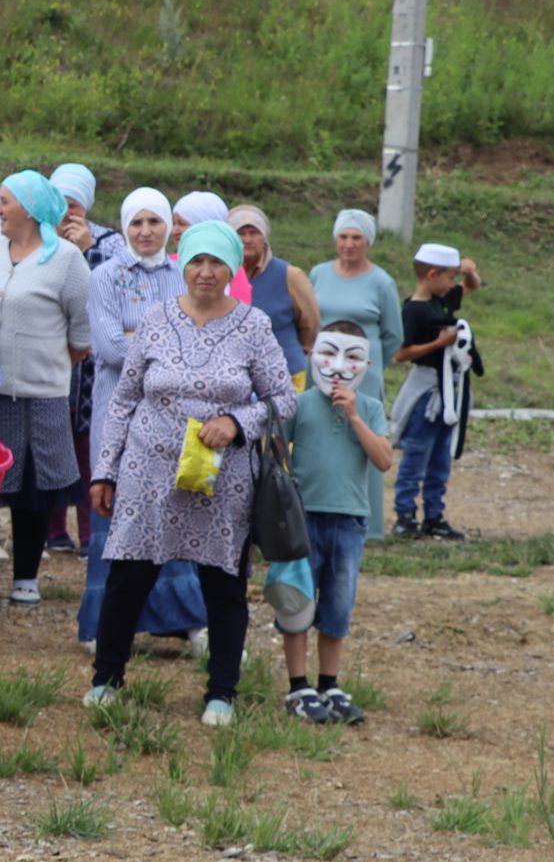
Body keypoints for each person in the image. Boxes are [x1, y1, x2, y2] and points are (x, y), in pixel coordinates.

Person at [87, 222, 296, 727]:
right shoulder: (156, 319)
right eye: (196, 262)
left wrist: (236, 421)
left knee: (222, 581)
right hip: (147, 469)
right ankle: (106, 681)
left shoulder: (253, 326)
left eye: (216, 263)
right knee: (128, 575)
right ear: (184, 265)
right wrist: (105, 470)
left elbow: (283, 398)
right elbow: (124, 399)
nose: (205, 272)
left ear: (232, 268)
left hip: (222, 477)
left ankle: (221, 692)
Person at [75, 188, 206, 654]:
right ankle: (104, 624)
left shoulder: (184, 274)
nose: (145, 232)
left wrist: (141, 337)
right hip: (120, 417)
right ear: (125, 227)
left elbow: (200, 341)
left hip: (174, 419)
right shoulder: (105, 277)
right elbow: (109, 350)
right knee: (113, 516)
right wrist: (166, 341)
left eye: (154, 222)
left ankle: (188, 622)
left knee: (174, 514)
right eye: (136, 223)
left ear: (167, 228)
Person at [0, 170, 91, 606]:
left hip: (41, 391)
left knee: (34, 487)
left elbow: (82, 332)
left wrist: (50, 361)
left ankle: (25, 577)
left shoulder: (65, 258)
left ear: (28, 209)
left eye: (5, 200)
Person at [282, 321, 393, 725]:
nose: (340, 366)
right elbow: (275, 451)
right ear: (313, 355)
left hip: (349, 520)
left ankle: (329, 683)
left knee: (337, 605)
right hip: (301, 518)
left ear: (366, 363)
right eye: (329, 354)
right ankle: (298, 686)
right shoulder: (299, 403)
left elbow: (383, 459)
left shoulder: (371, 408)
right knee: (295, 601)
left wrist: (354, 417)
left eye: (353, 357)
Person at [309, 208, 404, 538]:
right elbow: (308, 318)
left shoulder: (381, 281)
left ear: (368, 242)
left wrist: (368, 366)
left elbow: (394, 334)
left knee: (364, 437)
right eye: (343, 237)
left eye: (356, 238)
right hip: (323, 371)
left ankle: (370, 523)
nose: (349, 244)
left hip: (362, 375)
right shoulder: (318, 273)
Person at [44, 162, 124, 553]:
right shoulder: (41, 238)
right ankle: (54, 529)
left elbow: (116, 287)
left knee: (90, 445)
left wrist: (87, 249)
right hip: (54, 354)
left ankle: (92, 529)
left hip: (94, 362)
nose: (66, 213)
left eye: (73, 204)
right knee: (56, 443)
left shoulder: (110, 241)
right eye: (58, 203)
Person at [389, 243, 484, 540]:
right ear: (432, 274)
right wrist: (438, 344)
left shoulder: (442, 299)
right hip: (426, 392)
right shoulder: (414, 310)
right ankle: (405, 515)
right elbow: (402, 354)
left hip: (449, 392)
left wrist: (469, 272)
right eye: (450, 277)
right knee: (417, 455)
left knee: (441, 456)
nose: (454, 285)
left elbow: (471, 287)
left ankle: (434, 515)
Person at [228, 204, 319, 387]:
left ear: (265, 237)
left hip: (286, 373)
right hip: (236, 376)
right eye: (240, 233)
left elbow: (310, 324)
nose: (247, 239)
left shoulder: (289, 275)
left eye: (254, 233)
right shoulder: (222, 274)